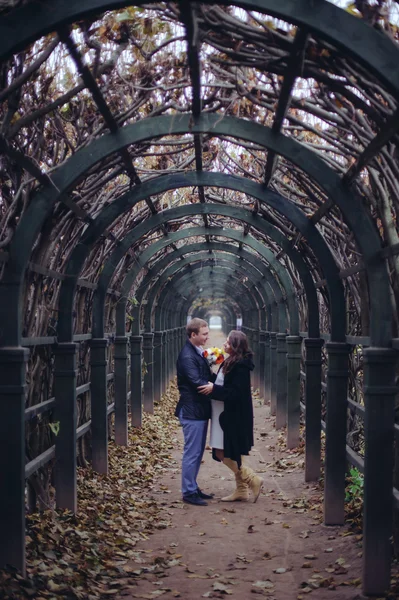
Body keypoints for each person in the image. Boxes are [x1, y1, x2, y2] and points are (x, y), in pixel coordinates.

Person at [198, 330, 263, 503]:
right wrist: (208, 366)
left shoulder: (240, 366)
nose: (224, 345)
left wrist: (214, 390)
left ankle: (251, 479)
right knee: (231, 453)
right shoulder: (230, 361)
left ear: (235, 346)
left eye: (227, 343)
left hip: (232, 416)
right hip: (223, 413)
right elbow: (221, 381)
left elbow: (235, 393)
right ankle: (241, 490)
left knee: (222, 453)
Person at [175, 318, 217, 506]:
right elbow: (198, 383)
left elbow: (209, 371)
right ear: (193, 335)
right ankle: (188, 492)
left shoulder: (197, 351)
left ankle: (192, 486)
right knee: (192, 452)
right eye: (205, 334)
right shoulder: (187, 356)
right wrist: (218, 387)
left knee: (197, 451)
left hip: (198, 410)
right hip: (192, 411)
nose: (208, 337)